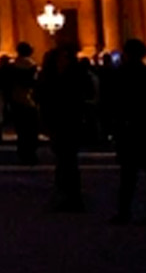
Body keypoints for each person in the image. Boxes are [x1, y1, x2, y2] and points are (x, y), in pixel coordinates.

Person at [107, 39, 146, 225]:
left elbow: (115, 102)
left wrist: (116, 126)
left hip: (130, 127)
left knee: (128, 174)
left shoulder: (121, 74)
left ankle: (124, 212)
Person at [37, 40, 90, 212]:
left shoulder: (74, 76)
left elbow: (83, 95)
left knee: (68, 161)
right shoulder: (52, 78)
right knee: (63, 160)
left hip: (70, 121)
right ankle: (67, 195)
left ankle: (72, 197)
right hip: (57, 121)